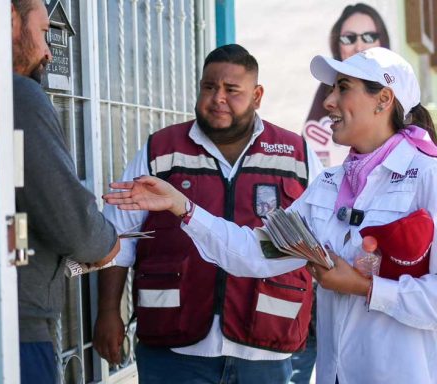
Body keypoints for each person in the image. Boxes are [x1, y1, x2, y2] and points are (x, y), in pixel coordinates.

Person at [104, 47, 437, 384]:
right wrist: (183, 208)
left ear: (382, 100)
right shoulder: (330, 183)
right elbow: (257, 252)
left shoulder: (428, 177)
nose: (328, 102)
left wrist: (364, 287)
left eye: (343, 88)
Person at [94, 44, 323, 383]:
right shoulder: (161, 150)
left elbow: (323, 241)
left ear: (257, 96)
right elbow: (120, 236)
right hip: (173, 351)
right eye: (209, 87)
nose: (218, 97)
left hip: (267, 349)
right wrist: (108, 311)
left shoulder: (296, 155)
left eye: (232, 90)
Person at [11, 1, 121, 383]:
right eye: (43, 32)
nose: (49, 52)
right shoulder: (16, 96)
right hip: (18, 328)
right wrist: (107, 242)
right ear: (10, 20)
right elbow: (73, 225)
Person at [304, 3, 390, 167]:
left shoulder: (398, 83)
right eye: (348, 38)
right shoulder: (326, 88)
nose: (359, 46)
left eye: (369, 37)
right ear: (337, 44)